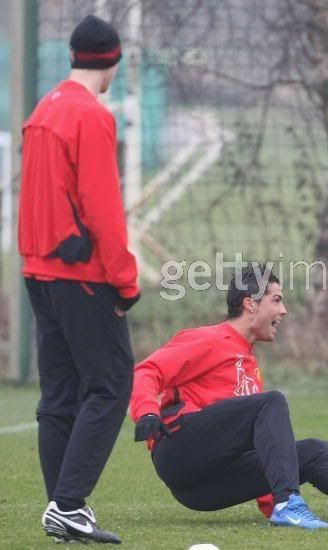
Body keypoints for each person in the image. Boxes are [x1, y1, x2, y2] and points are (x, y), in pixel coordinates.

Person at [130, 265, 328, 529]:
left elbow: (265, 448)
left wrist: (269, 503)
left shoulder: (250, 367)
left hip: (202, 491)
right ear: (251, 304)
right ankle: (288, 504)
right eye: (276, 300)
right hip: (178, 451)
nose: (283, 311)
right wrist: (146, 412)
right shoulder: (208, 338)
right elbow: (147, 370)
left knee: (315, 450)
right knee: (271, 402)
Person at [18, 15, 140, 544]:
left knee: (60, 394)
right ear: (113, 60)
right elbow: (102, 204)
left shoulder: (44, 107)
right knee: (112, 382)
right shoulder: (91, 115)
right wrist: (125, 278)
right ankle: (69, 504)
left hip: (38, 270)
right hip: (82, 274)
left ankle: (60, 508)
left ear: (73, 56)